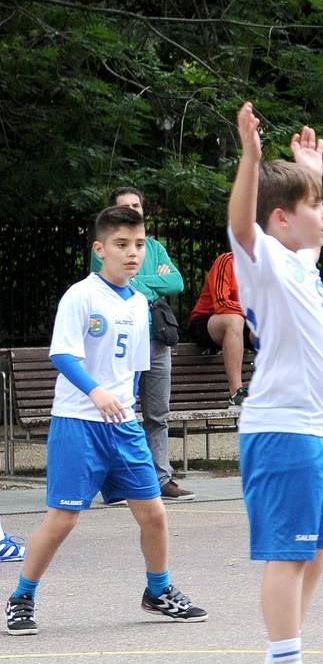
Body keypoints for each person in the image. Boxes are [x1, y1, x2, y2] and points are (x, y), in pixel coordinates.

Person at [5, 205, 206, 637]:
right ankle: (22, 595)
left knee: (154, 514)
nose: (132, 253)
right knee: (64, 518)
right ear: (100, 250)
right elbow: (62, 354)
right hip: (78, 422)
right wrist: (95, 391)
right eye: (121, 245)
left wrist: (126, 404)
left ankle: (158, 590)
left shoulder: (139, 302)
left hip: (123, 426)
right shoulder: (80, 296)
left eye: (138, 245)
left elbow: (134, 367)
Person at [228, 102, 323, 664]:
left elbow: (289, 216)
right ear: (281, 218)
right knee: (287, 553)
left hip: (316, 429)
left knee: (318, 550)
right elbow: (244, 223)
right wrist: (253, 159)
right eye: (315, 207)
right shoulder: (264, 261)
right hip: (281, 430)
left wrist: (311, 175)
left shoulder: (299, 264)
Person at [91, 187, 194, 501]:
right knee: (120, 410)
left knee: (157, 413)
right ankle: (118, 482)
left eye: (137, 205)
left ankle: (161, 478)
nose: (134, 211)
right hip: (122, 339)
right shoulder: (106, 249)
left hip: (156, 340)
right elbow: (112, 285)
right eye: (126, 207)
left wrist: (140, 283)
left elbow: (176, 283)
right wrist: (151, 284)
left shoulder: (154, 248)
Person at [188, 251, 253, 406]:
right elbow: (221, 303)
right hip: (208, 321)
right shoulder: (227, 261)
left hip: (245, 323)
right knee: (234, 320)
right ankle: (236, 392)